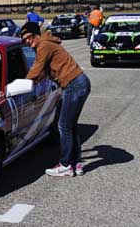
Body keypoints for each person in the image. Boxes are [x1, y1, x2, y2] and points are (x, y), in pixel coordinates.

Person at [20, 22, 91, 177]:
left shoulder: (44, 45)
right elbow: (42, 73)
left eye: (29, 37)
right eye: (24, 39)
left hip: (74, 84)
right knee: (70, 125)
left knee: (64, 125)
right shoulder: (46, 44)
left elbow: (36, 69)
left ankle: (65, 164)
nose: (27, 41)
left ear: (36, 35)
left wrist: (21, 84)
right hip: (78, 83)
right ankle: (76, 163)